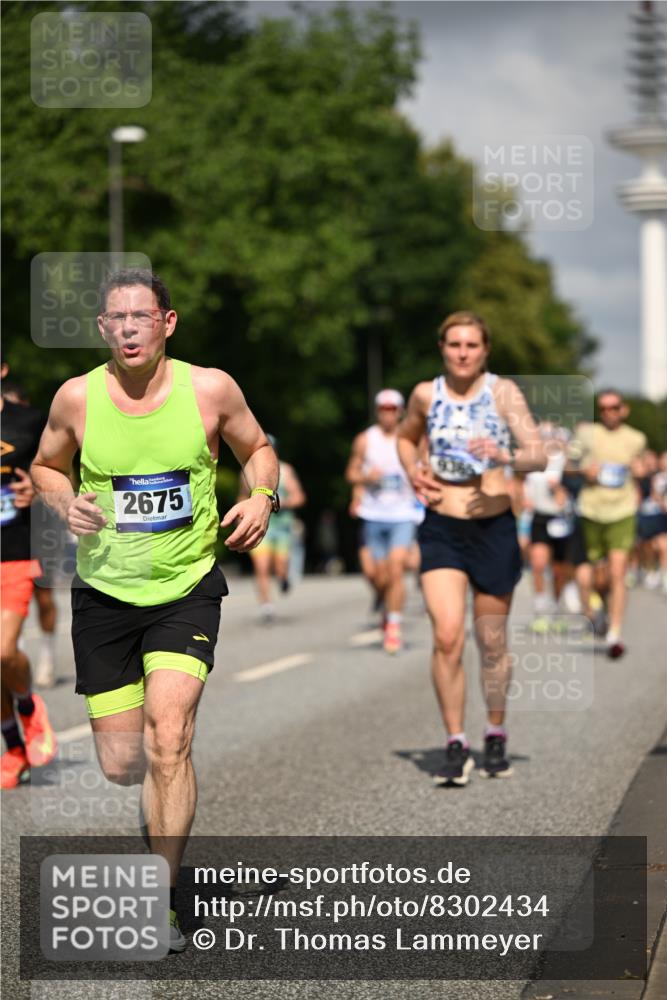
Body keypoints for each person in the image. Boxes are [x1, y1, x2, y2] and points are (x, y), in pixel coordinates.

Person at [31, 268, 279, 951]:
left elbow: (257, 449)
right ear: (103, 329)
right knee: (122, 761)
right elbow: (46, 465)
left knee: (169, 736)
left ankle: (162, 897)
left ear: (168, 323)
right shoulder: (77, 398)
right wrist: (64, 501)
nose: (131, 328)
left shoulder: (210, 389)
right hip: (104, 594)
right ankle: (160, 827)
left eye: (143, 316)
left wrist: (261, 496)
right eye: (118, 318)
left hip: (185, 585)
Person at [397, 311, 545, 786]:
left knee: (492, 641)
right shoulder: (426, 393)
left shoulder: (503, 394)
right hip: (442, 526)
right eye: (455, 344)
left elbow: (538, 453)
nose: (463, 353)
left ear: (485, 350)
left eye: (472, 345)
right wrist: (412, 471)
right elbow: (405, 437)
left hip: (493, 528)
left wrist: (504, 454)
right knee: (446, 635)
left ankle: (495, 730)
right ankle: (456, 742)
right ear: (443, 347)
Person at [1, 365, 58, 789]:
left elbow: (59, 473)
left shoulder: (29, 422)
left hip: (15, 553)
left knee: (4, 654)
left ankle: (26, 706)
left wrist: (36, 492)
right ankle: (14, 750)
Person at [346, 389, 422, 654]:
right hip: (373, 514)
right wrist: (365, 479)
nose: (388, 414)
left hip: (403, 514)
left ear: (400, 411)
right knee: (374, 574)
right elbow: (352, 472)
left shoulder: (411, 438)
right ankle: (384, 599)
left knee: (397, 569)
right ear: (378, 411)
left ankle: (394, 626)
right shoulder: (366, 440)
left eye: (392, 409)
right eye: (383, 409)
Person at [572, 390, 646, 658]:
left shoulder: (636, 438)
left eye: (614, 407)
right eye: (603, 408)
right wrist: (582, 470)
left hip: (622, 510)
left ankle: (615, 632)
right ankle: (602, 609)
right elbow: (568, 463)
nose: (609, 412)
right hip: (591, 510)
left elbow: (641, 466)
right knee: (598, 576)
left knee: (617, 571)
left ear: (623, 410)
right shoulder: (586, 433)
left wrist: (641, 470)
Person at [239, 436, 306, 622]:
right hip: (261, 527)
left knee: (280, 567)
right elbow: (242, 497)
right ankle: (266, 605)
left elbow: (299, 497)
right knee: (261, 566)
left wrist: (282, 502)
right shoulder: (246, 472)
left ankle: (284, 578)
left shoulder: (285, 470)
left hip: (283, 527)